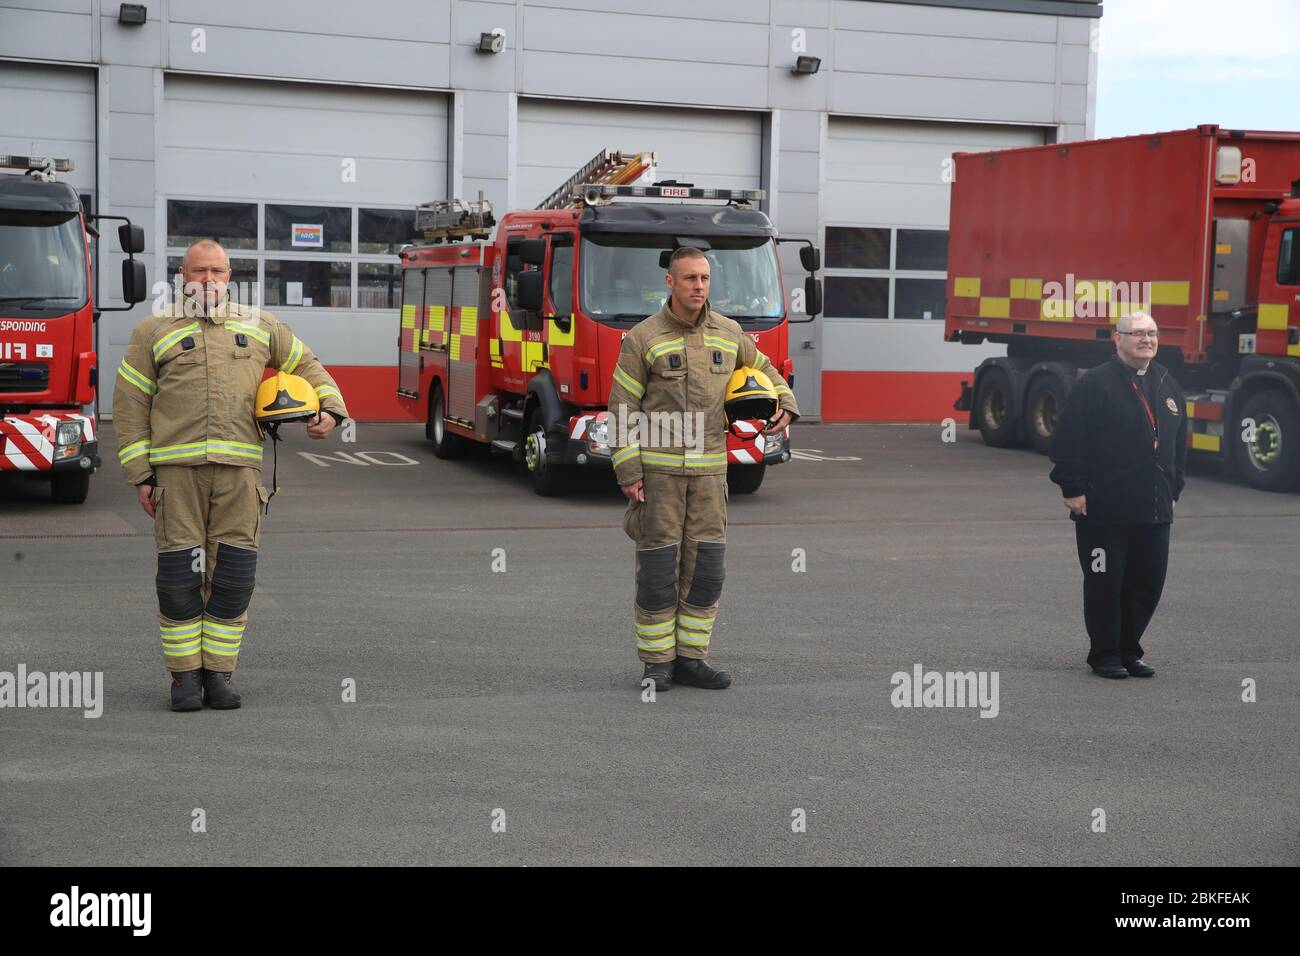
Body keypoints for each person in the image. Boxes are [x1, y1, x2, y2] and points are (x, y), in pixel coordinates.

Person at [113, 239, 349, 711]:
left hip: (241, 476)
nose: (208, 280)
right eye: (199, 271)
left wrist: (330, 407)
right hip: (176, 477)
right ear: (182, 275)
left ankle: (218, 675)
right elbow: (129, 404)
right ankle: (184, 680)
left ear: (229, 275)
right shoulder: (153, 330)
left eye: (217, 271)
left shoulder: (260, 325)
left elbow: (306, 362)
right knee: (179, 579)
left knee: (234, 577)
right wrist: (140, 473)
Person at [606, 246, 799, 692]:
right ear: (670, 282)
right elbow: (621, 408)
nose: (699, 286)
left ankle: (692, 659)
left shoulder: (729, 334)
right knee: (658, 572)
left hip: (711, 478)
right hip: (660, 478)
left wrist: (786, 401)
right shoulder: (643, 338)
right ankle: (658, 663)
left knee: (706, 569)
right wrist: (629, 470)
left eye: (705, 278)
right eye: (690, 278)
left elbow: (764, 369)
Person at [1049, 310, 1187, 679]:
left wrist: (1174, 488)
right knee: (1105, 583)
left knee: (1147, 583)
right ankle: (1105, 654)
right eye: (1138, 333)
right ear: (1117, 339)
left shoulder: (1167, 384)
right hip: (1103, 509)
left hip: (1154, 510)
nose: (1147, 339)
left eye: (1153, 333)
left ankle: (1130, 651)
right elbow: (1069, 439)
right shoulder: (1094, 384)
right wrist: (1073, 488)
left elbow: (1178, 446)